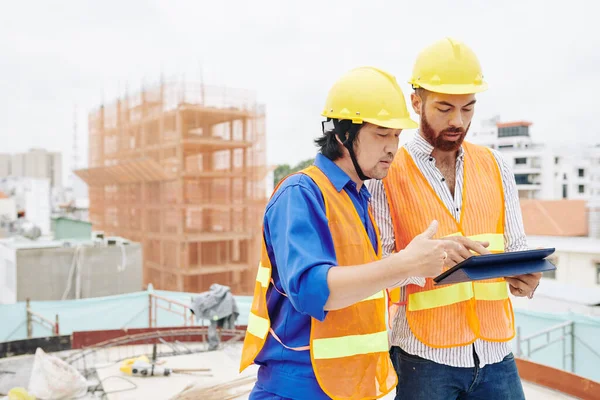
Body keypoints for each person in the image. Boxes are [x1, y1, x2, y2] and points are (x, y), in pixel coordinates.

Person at [239, 66, 460, 400]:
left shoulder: (359, 199)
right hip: (298, 389)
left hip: (349, 388)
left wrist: (428, 255)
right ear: (342, 135)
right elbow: (315, 291)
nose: (392, 147)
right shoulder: (301, 192)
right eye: (381, 134)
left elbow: (364, 279)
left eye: (397, 136)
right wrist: (405, 264)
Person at [367, 38, 542, 400]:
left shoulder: (496, 166)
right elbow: (375, 269)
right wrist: (428, 261)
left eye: (468, 108)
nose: (457, 121)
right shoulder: (387, 172)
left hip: (497, 355)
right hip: (424, 358)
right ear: (416, 102)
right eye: (444, 108)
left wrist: (526, 277)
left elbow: (516, 247)